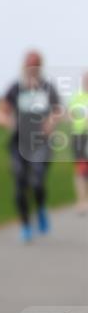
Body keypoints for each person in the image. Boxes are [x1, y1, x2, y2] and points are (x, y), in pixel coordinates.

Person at [0, 51, 63, 242]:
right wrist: (5, 120)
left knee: (37, 182)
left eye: (35, 65)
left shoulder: (48, 88)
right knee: (19, 183)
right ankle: (25, 225)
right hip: (19, 142)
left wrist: (50, 122)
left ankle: (40, 208)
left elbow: (57, 110)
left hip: (41, 142)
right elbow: (2, 110)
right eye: (29, 65)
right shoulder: (16, 88)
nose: (31, 69)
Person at [70, 73, 88, 216]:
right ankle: (82, 201)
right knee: (81, 170)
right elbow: (71, 115)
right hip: (80, 136)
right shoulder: (77, 97)